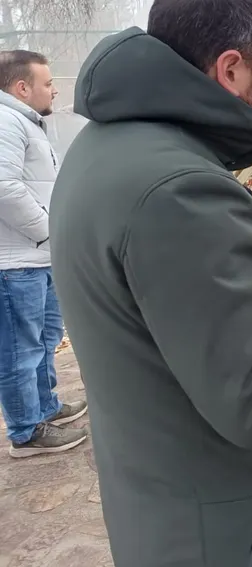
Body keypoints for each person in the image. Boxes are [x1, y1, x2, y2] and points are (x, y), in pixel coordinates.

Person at [48, 0, 252, 564]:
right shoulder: (179, 191)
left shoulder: (105, 145)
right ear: (231, 70)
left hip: (173, 514)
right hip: (246, 536)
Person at [0, 49, 88, 458]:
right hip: (16, 262)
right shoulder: (5, 122)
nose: (54, 89)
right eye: (48, 82)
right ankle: (25, 431)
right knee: (21, 348)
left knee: (45, 338)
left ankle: (45, 407)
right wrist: (48, 232)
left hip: (37, 257)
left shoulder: (27, 122)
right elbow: (4, 189)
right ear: (22, 87)